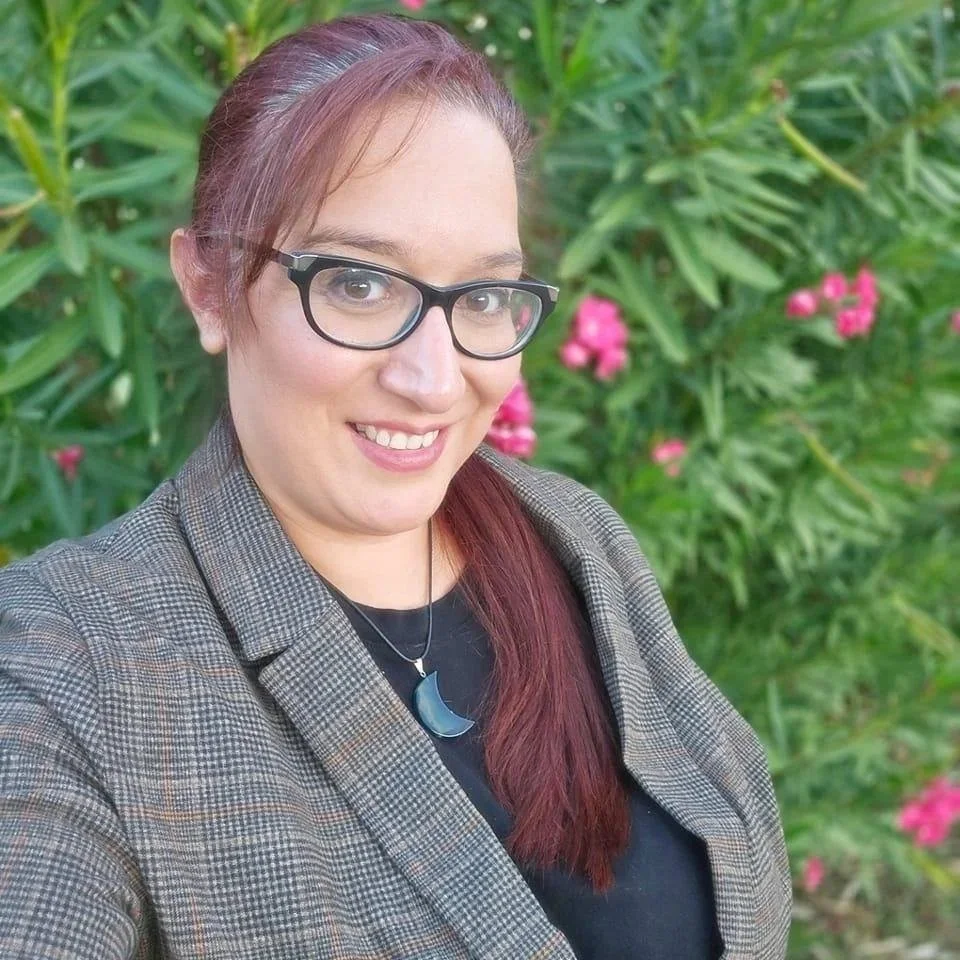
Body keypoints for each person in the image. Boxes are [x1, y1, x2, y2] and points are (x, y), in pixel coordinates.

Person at [0, 13, 791, 959]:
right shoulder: (66, 666)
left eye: (486, 297)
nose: (434, 377)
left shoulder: (576, 541)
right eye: (359, 285)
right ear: (209, 287)